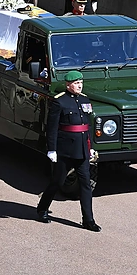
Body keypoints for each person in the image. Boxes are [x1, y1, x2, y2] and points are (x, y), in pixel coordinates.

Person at [36, 70, 101, 232]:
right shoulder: (60, 102)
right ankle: (42, 208)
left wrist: (90, 146)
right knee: (57, 182)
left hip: (82, 149)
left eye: (81, 83)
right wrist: (52, 149)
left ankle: (88, 220)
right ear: (68, 85)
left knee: (85, 184)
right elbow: (52, 128)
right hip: (65, 150)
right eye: (76, 83)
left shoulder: (85, 99)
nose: (79, 86)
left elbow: (87, 126)